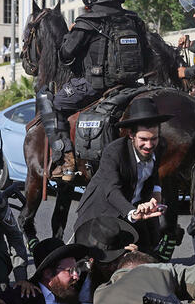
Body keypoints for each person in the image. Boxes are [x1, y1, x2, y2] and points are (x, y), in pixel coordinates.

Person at [37, 0, 150, 178]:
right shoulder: (132, 19)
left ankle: (66, 161)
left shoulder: (87, 22)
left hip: (94, 85)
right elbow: (148, 54)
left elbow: (65, 54)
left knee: (53, 103)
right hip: (131, 84)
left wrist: (71, 34)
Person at [72, 98, 170, 256]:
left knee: (146, 254)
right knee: (98, 261)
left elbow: (154, 174)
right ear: (131, 135)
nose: (149, 145)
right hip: (104, 211)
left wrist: (156, 195)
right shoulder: (114, 152)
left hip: (136, 210)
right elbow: (111, 190)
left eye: (154, 138)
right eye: (143, 139)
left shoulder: (159, 146)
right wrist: (132, 213)